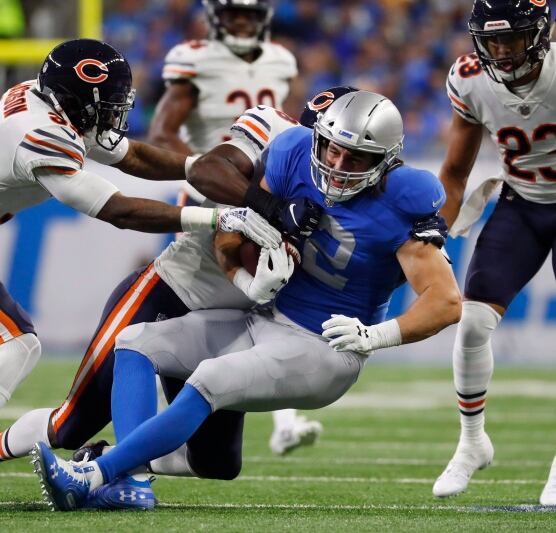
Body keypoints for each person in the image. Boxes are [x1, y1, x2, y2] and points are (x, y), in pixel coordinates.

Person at [0, 39, 282, 511]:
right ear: (77, 101)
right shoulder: (41, 133)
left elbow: (132, 156)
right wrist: (217, 218)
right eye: (107, 106)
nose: (113, 116)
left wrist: (192, 168)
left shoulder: (49, 104)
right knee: (16, 345)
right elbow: (118, 209)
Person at [32, 90, 463, 511]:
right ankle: (131, 483)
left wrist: (374, 335)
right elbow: (232, 228)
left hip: (325, 347)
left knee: (211, 379)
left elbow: (445, 301)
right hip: (266, 317)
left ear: (387, 162)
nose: (337, 165)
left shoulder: (405, 197)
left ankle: (95, 475)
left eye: (356, 158)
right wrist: (245, 281)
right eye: (332, 149)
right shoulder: (292, 151)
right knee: (135, 341)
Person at [148, 0, 316, 455]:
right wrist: (205, 169)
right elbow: (163, 132)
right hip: (215, 190)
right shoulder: (195, 56)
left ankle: (279, 417)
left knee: (268, 293)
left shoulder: (281, 59)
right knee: (197, 301)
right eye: (233, 12)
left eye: (249, 13)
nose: (241, 20)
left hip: (263, 190)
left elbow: (296, 129)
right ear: (216, 15)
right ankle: (169, 411)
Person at [432, 0, 556, 505]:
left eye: (514, 38)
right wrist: (433, 235)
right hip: (522, 204)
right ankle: (471, 442)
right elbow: (456, 172)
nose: (502, 51)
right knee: (473, 322)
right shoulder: (469, 79)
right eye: (494, 40)